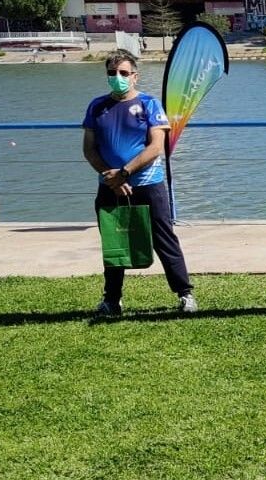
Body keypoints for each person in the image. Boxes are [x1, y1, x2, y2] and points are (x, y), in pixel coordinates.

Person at [81, 49, 195, 315]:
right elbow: (89, 149)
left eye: (123, 73)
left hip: (148, 184)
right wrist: (111, 177)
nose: (117, 78)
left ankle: (185, 294)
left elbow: (156, 146)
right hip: (110, 186)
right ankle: (112, 300)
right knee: (114, 242)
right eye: (112, 73)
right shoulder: (96, 106)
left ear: (135, 77)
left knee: (164, 239)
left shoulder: (149, 103)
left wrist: (125, 172)